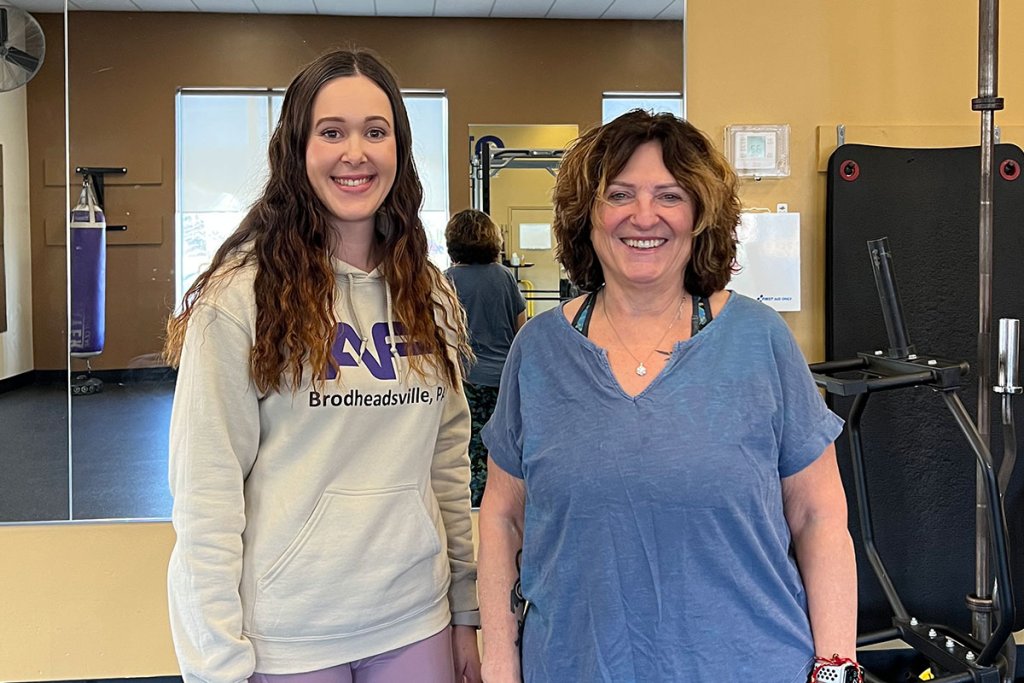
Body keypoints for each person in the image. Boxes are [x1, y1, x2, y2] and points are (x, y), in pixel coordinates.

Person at [478, 110, 859, 682]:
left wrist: (836, 667)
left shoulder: (760, 340)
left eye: (670, 195)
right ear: (588, 216)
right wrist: (500, 665)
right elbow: (502, 518)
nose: (644, 216)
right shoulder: (538, 351)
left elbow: (818, 515)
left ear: (700, 215)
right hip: (576, 665)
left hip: (752, 665)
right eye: (619, 194)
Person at [164, 48, 481, 683]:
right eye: (331, 132)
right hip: (287, 637)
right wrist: (216, 664)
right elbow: (207, 495)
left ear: (400, 148)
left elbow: (447, 467)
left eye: (375, 130)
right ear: (296, 149)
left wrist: (466, 609)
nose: (354, 152)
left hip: (415, 619)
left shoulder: (431, 295)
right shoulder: (239, 299)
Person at [444, 209, 527, 506]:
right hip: (503, 381)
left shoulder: (446, 281)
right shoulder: (505, 277)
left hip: (464, 380)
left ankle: (475, 505)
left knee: (467, 449)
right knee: (503, 448)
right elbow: (522, 329)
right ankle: (503, 505)